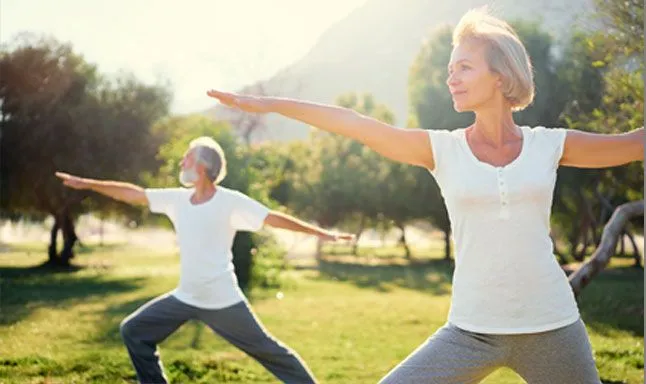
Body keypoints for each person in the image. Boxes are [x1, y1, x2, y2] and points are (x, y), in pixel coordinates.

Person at [205, 7, 644, 384]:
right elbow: (356, 124)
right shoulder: (442, 150)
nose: (451, 78)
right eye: (449, 69)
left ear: (500, 75)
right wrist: (272, 104)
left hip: (552, 325)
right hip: (471, 331)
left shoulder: (550, 144)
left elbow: (633, 143)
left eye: (464, 68)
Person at [55, 136, 354, 384]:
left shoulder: (229, 201)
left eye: (187, 158)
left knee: (272, 353)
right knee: (133, 331)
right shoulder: (177, 199)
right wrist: (88, 183)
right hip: (185, 296)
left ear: (201, 166)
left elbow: (272, 218)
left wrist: (322, 234)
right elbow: (133, 194)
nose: (181, 162)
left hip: (222, 300)